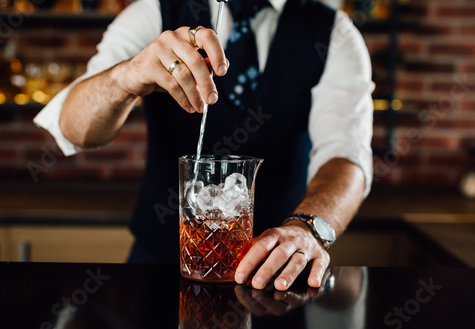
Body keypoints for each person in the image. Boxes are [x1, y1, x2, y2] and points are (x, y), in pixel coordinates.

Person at [34, 0, 374, 291]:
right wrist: (125, 77)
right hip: (158, 267)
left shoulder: (333, 32)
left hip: (278, 274)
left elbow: (346, 156)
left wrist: (308, 228)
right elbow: (74, 128)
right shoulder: (155, 11)